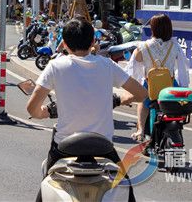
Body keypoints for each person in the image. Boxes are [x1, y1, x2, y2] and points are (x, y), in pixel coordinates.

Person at [26, 18, 147, 173]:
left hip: (65, 146)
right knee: (125, 188)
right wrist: (120, 99)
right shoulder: (107, 65)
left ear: (64, 43)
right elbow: (141, 94)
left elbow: (32, 109)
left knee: (46, 183)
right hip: (102, 147)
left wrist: (43, 112)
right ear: (92, 42)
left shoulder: (55, 66)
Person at [125, 14, 190, 141]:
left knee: (143, 103)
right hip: (170, 85)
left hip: (151, 86)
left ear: (153, 28)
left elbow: (134, 66)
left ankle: (141, 130)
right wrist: (183, 86)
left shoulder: (143, 46)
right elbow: (183, 66)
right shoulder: (175, 45)